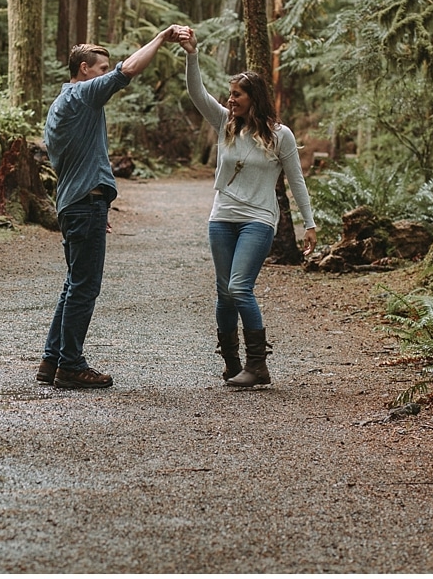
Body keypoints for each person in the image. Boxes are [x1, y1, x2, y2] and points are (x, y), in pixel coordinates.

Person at [37, 25, 184, 389]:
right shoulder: (83, 96)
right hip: (83, 204)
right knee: (85, 287)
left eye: (104, 68)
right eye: (100, 67)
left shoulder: (60, 105)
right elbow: (128, 71)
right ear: (84, 69)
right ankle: (70, 365)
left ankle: (51, 359)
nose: (106, 72)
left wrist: (98, 201)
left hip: (77, 204)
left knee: (74, 284)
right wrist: (162, 38)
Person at [175, 24, 316, 387]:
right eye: (229, 93)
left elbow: (296, 180)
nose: (230, 99)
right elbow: (196, 92)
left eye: (237, 94)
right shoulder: (225, 124)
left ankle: (258, 366)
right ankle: (233, 363)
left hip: (259, 218)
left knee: (239, 287)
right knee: (224, 292)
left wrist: (310, 224)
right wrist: (192, 54)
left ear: (254, 97)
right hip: (222, 218)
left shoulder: (279, 135)